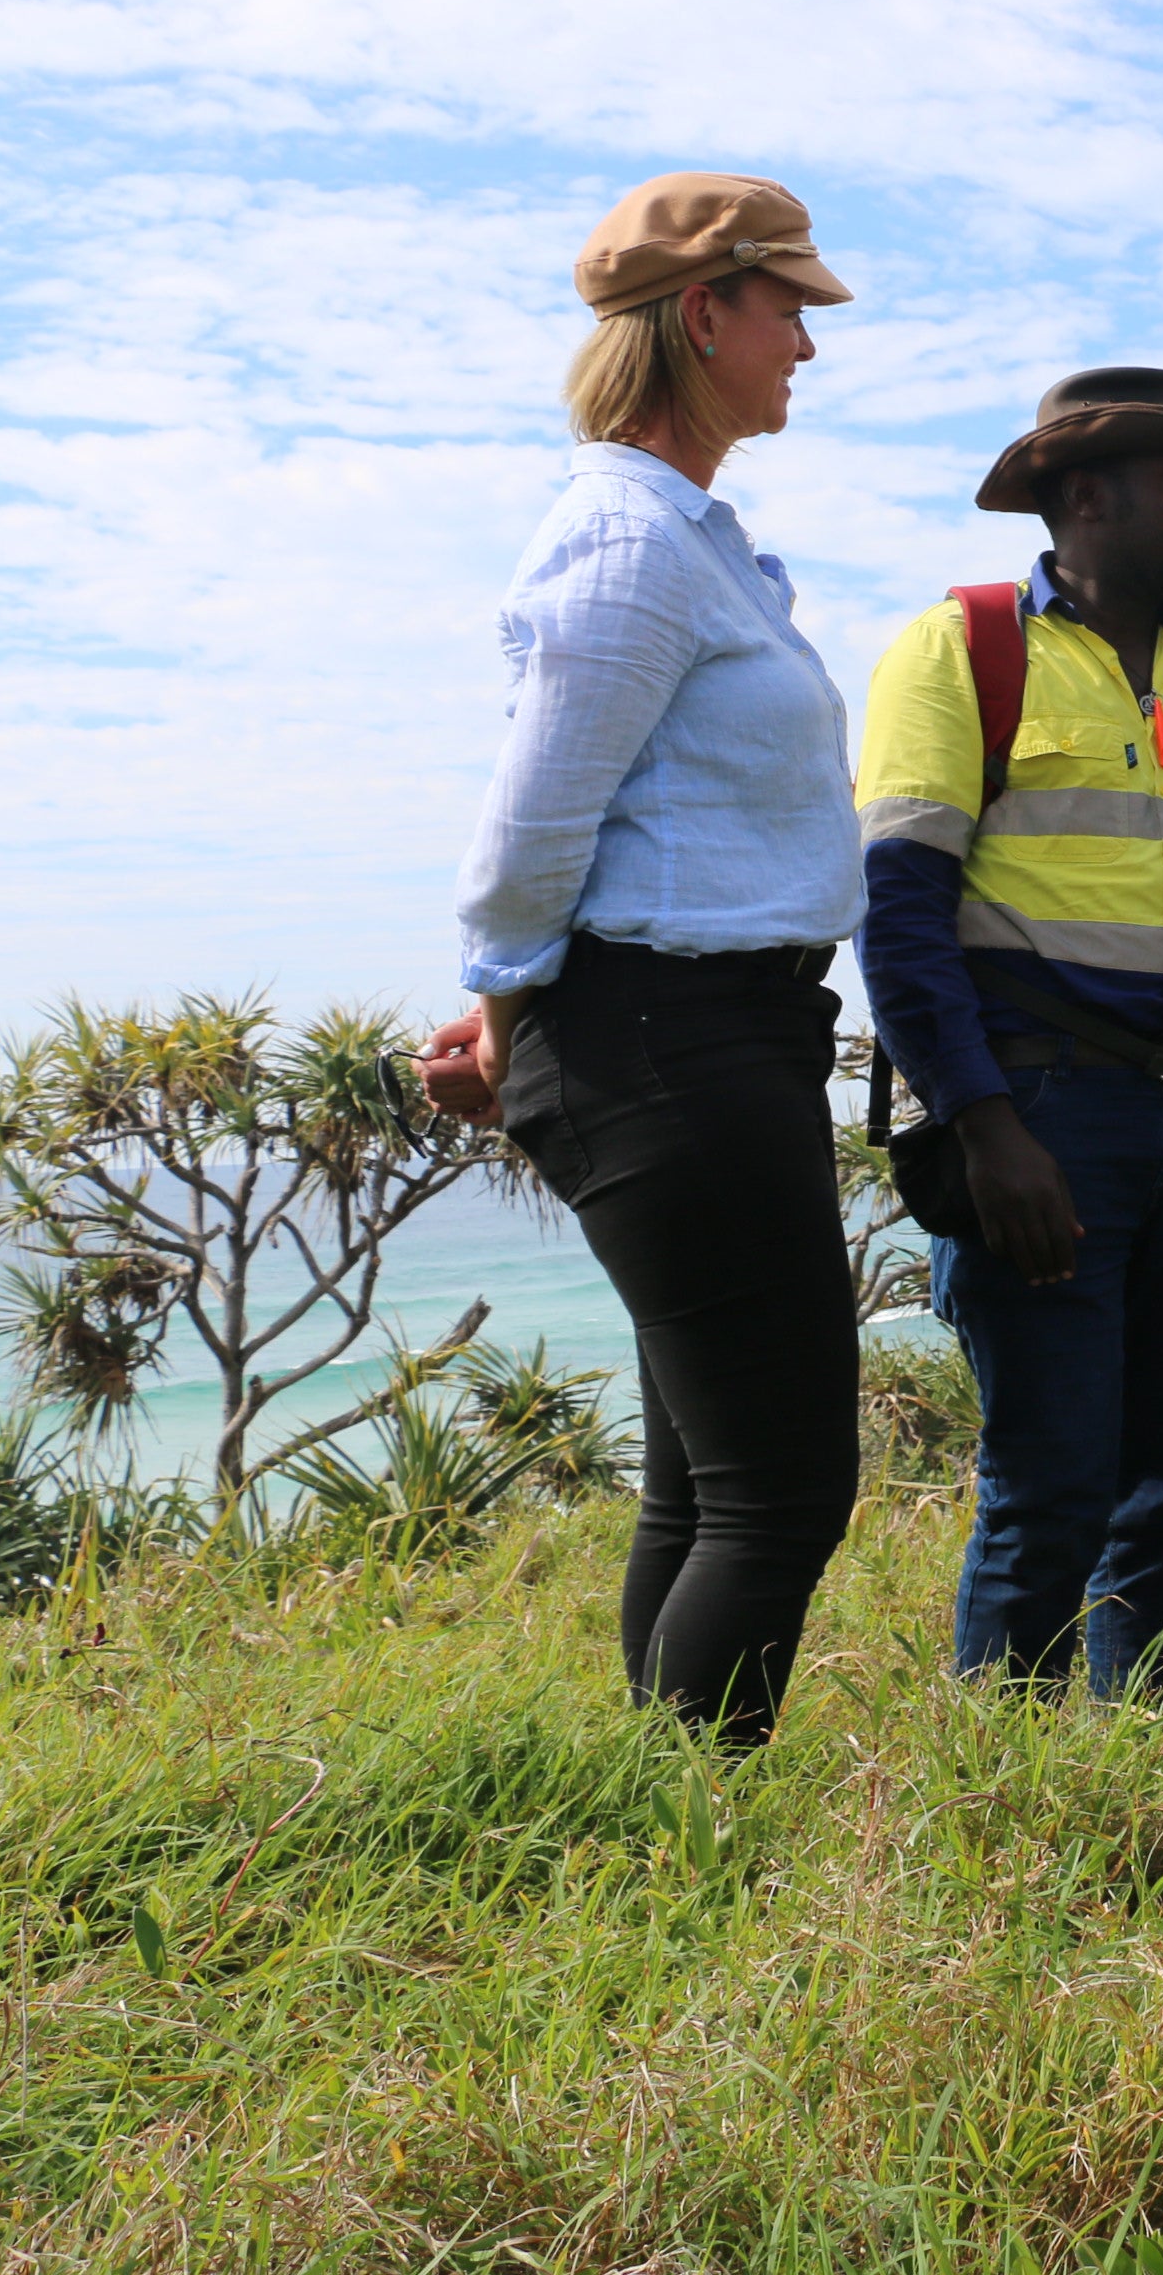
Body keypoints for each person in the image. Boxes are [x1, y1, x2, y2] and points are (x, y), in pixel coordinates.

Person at [423, 172, 863, 1747]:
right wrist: (502, 1011)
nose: (806, 345)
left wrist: (511, 1021)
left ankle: (661, 1820)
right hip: (673, 1039)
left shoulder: (691, 540)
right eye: (788, 309)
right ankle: (697, 1837)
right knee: (786, 1492)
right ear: (704, 315)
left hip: (708, 1032)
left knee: (707, 1477)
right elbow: (532, 826)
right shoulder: (625, 546)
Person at [853, 369, 1163, 1698]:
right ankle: (1007, 1806)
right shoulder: (964, 648)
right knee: (1051, 1483)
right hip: (1049, 1119)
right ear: (1083, 496)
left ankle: (1145, 1763)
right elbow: (897, 919)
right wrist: (982, 1125)